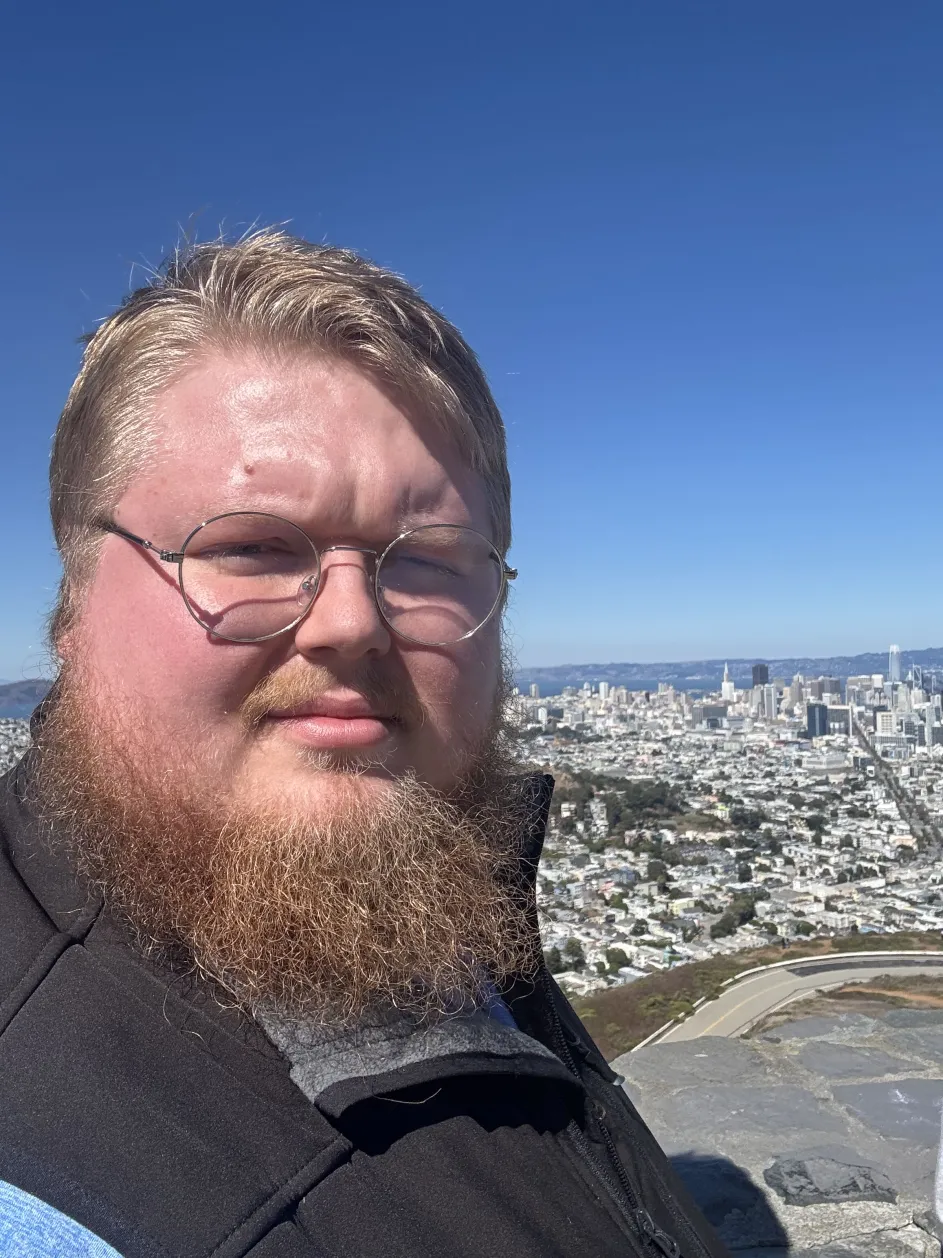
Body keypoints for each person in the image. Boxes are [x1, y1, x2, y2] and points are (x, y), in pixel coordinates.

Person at [0, 232, 727, 1258]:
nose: (351, 622)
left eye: (426, 559)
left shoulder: (430, 874)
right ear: (74, 605)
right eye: (251, 546)